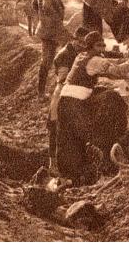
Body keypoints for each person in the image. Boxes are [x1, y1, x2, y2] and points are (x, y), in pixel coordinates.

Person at [56, 31, 129, 185]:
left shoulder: (82, 56)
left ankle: (70, 179)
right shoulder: (95, 60)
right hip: (76, 104)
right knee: (97, 130)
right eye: (99, 45)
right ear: (91, 46)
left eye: (103, 44)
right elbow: (117, 72)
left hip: (64, 101)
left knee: (69, 141)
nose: (102, 48)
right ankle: (108, 165)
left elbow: (108, 71)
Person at [47, 26, 89, 170]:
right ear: (74, 39)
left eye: (85, 44)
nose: (83, 46)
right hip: (63, 92)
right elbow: (62, 78)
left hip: (75, 92)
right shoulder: (64, 55)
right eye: (80, 42)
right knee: (55, 126)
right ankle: (53, 164)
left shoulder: (81, 52)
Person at [32, 0, 69, 99]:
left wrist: (42, 19)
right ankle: (42, 93)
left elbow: (34, 4)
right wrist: (56, 21)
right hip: (50, 33)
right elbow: (46, 7)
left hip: (49, 31)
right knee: (47, 61)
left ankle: (45, 91)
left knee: (50, 60)